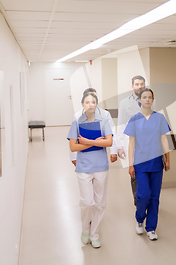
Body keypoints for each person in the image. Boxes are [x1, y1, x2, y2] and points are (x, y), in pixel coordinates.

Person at [67, 92, 113, 248]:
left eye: (93, 102)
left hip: (101, 167)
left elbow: (109, 142)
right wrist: (93, 142)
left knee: (100, 203)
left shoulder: (104, 120)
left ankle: (94, 235)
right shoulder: (77, 122)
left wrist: (86, 142)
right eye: (87, 102)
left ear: (96, 104)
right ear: (82, 105)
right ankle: (85, 229)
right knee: (87, 202)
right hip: (84, 167)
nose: (90, 104)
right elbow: (73, 146)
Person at [124, 88, 170, 241]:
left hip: (156, 163)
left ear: (153, 100)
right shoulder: (134, 119)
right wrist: (130, 164)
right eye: (144, 97)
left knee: (155, 197)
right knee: (143, 195)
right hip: (140, 163)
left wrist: (167, 158)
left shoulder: (160, 118)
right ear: (139, 100)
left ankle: (151, 228)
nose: (147, 100)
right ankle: (139, 219)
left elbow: (164, 139)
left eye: (150, 97)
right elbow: (131, 144)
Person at [117, 75, 151, 206]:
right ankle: (138, 202)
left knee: (149, 173)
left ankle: (148, 200)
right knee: (135, 174)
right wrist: (119, 147)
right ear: (132, 86)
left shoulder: (150, 100)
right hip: (132, 144)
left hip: (149, 145)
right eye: (137, 84)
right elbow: (120, 125)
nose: (140, 86)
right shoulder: (124, 103)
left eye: (142, 84)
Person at [71, 88, 117, 165]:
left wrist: (113, 151)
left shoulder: (105, 114)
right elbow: (73, 137)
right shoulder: (77, 116)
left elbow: (112, 133)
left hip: (100, 151)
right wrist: (73, 157)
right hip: (83, 152)